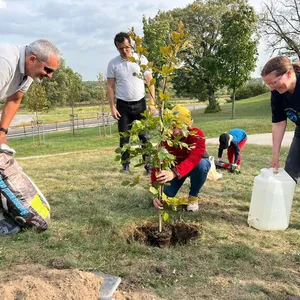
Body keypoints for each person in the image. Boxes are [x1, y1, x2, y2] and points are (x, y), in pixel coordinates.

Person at [0, 39, 61, 235]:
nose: (50, 76)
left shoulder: (26, 73)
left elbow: (15, 99)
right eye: (48, 70)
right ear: (33, 59)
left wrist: (2, 134)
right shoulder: (5, 63)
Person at [107, 32, 156, 174]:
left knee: (145, 137)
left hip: (140, 104)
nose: (124, 51)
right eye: (120, 48)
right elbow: (110, 86)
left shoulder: (141, 59)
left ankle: (148, 166)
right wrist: (112, 107)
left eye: (127, 47)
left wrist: (152, 103)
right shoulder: (113, 63)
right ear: (117, 48)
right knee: (124, 138)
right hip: (123, 106)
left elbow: (150, 82)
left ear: (131, 45)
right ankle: (125, 166)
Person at [152, 105, 211, 212]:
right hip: (176, 166)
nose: (176, 131)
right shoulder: (165, 138)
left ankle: (193, 196)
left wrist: (174, 173)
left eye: (180, 126)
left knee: (201, 166)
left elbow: (193, 159)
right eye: (173, 127)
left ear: (189, 124)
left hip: (194, 166)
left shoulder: (197, 135)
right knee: (167, 193)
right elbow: (157, 164)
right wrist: (156, 192)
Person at [261, 56, 300, 182]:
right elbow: (278, 123)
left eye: (274, 82)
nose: (272, 88)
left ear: (288, 73)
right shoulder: (277, 93)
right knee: (290, 172)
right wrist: (275, 156)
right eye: (269, 85)